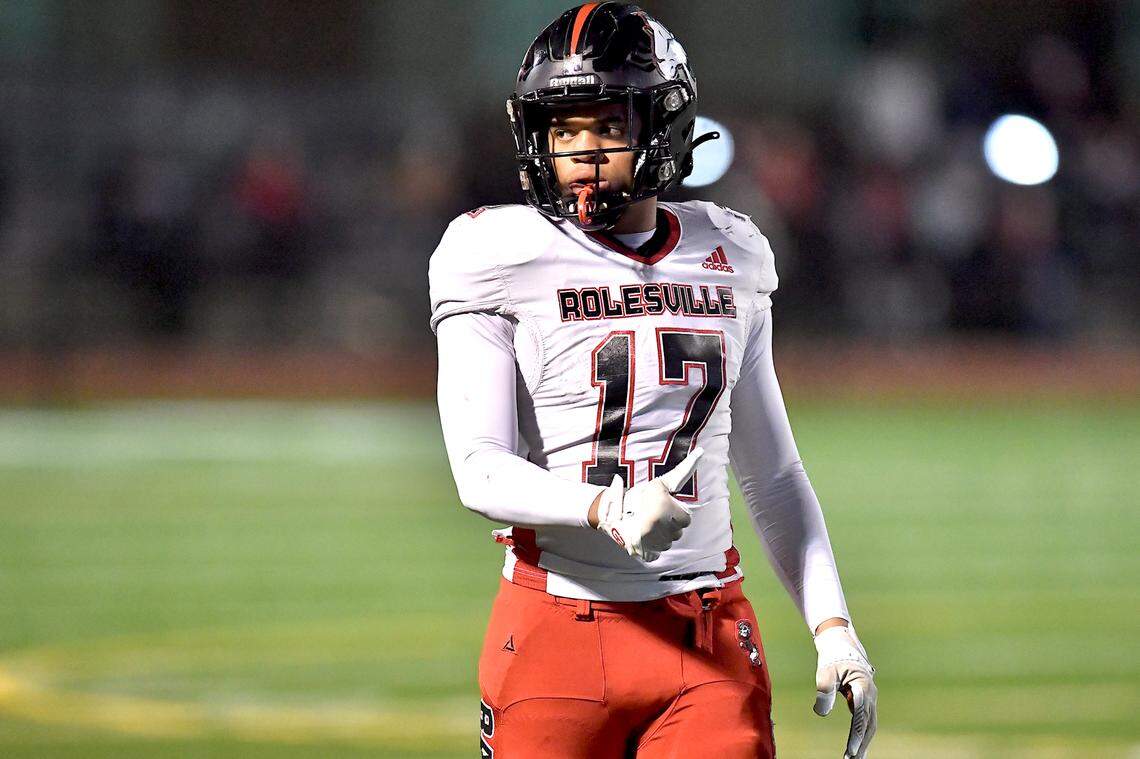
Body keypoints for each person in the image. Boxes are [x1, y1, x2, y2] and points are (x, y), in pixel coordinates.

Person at [429, 4, 877, 757]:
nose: (580, 151)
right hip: (555, 629)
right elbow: (478, 468)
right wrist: (605, 505)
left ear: (660, 126)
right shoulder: (497, 252)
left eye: (604, 125)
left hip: (705, 633)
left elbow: (772, 474)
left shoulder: (729, 250)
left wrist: (832, 623)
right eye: (563, 130)